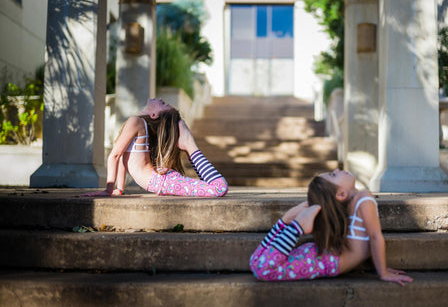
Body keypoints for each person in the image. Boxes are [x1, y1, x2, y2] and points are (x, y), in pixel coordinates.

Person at [249, 169, 413, 286]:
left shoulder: (355, 202)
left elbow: (367, 239)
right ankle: (295, 227)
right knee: (262, 268)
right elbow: (375, 237)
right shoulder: (364, 198)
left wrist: (381, 264)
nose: (337, 169)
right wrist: (382, 273)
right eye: (334, 174)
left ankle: (286, 222)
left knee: (257, 263)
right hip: (324, 260)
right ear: (341, 194)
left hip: (323, 258)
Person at [82, 98, 228, 197]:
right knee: (211, 186)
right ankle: (188, 144)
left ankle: (189, 145)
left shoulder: (136, 122)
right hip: (161, 180)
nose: (159, 99)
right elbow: (121, 157)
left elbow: (114, 156)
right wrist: (119, 188)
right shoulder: (137, 123)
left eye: (163, 103)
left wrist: (108, 189)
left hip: (162, 181)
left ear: (154, 115)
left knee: (218, 187)